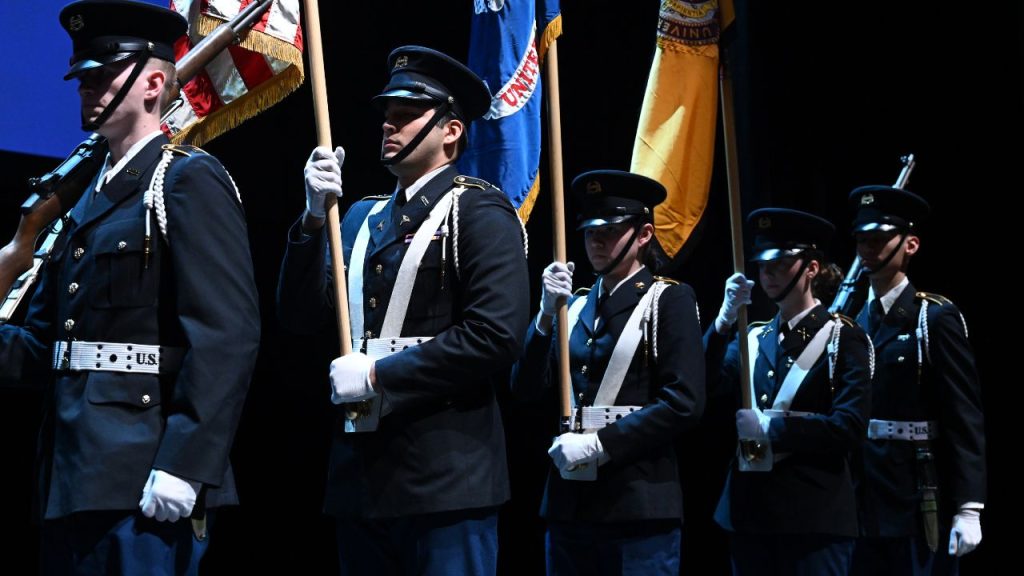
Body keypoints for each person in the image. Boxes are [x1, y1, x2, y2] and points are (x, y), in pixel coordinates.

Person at [0, 1, 260, 573]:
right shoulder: (81, 204)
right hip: (70, 477)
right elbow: (45, 347)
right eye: (82, 76)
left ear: (155, 84)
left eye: (104, 73)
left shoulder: (185, 179)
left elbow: (226, 335)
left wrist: (187, 464)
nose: (87, 86)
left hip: (145, 475)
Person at [276, 46, 530, 575]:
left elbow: (495, 335)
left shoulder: (478, 209)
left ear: (451, 131)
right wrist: (312, 221)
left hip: (445, 476)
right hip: (361, 477)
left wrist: (378, 374)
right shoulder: (360, 216)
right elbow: (301, 317)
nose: (389, 124)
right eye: (387, 113)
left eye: (408, 114)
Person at [510, 170, 705, 575]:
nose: (596, 241)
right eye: (590, 231)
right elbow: (525, 389)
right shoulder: (575, 306)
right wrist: (544, 316)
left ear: (644, 234)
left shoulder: (668, 300)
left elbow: (683, 402)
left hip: (637, 503)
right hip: (570, 503)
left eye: (610, 230)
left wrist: (602, 444)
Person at [706, 208, 872, 575]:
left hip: (813, 515)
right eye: (763, 265)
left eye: (780, 264)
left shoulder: (843, 338)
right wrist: (722, 323)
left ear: (811, 268)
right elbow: (706, 385)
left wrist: (773, 428)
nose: (767, 273)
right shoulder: (753, 336)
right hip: (749, 513)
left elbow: (849, 427)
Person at [847, 186, 986, 575]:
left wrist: (969, 506)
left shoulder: (933, 317)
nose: (867, 248)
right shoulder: (855, 320)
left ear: (910, 245)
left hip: (917, 492)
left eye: (879, 238)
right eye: (861, 239)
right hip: (863, 492)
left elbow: (964, 413)